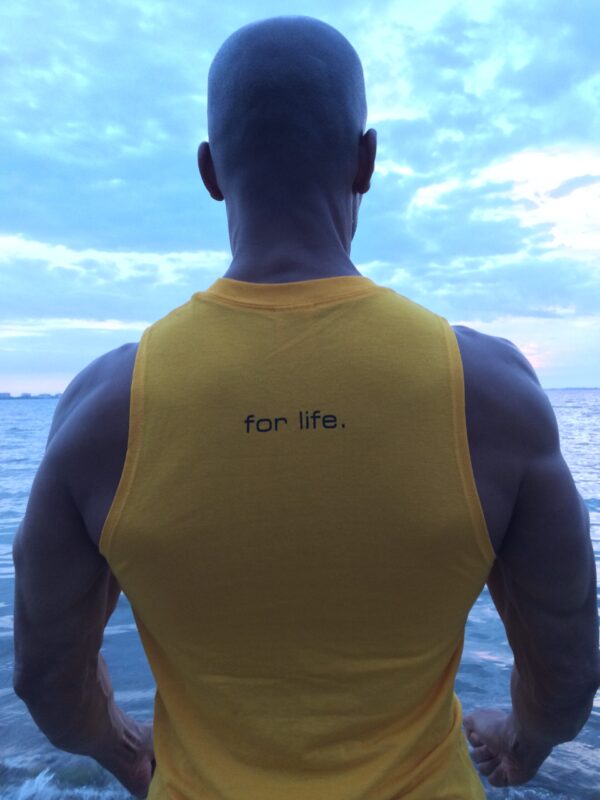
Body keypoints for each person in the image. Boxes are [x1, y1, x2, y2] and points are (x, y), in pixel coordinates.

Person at [12, 15, 599, 800]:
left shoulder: (101, 410)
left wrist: (123, 752)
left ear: (211, 171)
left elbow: (48, 678)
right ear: (366, 160)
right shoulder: (491, 391)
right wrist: (522, 741)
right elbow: (567, 667)